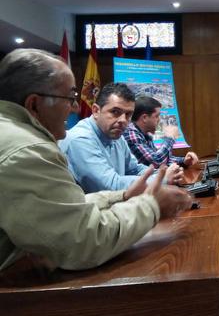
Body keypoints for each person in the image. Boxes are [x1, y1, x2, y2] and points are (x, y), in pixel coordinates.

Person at [0, 48, 192, 272]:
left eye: (128, 115)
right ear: (34, 105)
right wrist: (153, 205)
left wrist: (126, 194)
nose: (74, 107)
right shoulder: (29, 149)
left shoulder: (14, 134)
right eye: (70, 98)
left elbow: (69, 206)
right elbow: (81, 242)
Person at [60, 83, 184, 193]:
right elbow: (110, 186)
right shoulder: (80, 139)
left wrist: (165, 174)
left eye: (128, 114)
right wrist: (162, 179)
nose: (123, 120)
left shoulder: (116, 134)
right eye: (115, 112)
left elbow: (135, 169)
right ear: (96, 110)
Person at [123, 96, 199, 168]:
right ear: (144, 118)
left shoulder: (145, 133)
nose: (159, 119)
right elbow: (156, 162)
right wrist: (170, 137)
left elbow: (162, 160)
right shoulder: (131, 134)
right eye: (157, 116)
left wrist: (183, 161)